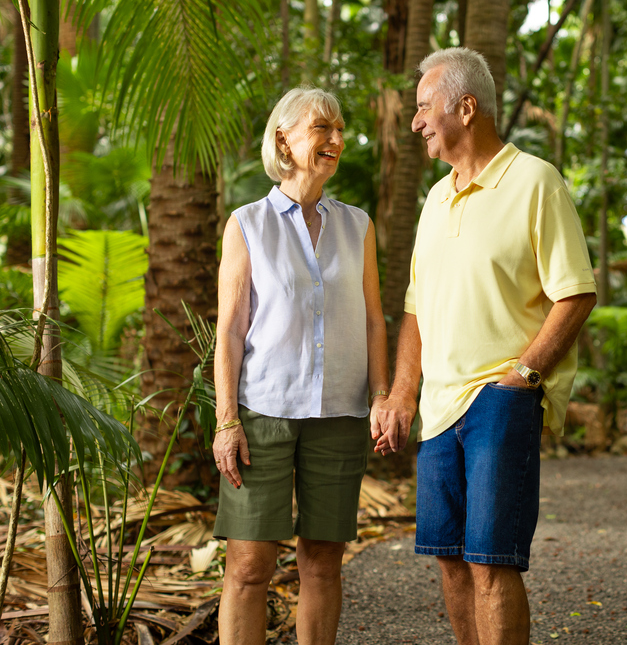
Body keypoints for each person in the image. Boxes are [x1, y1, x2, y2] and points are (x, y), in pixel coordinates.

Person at [372, 48, 597, 645]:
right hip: (437, 410)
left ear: (465, 108)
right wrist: (401, 393)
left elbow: (574, 293)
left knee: (492, 562)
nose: (416, 121)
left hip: (500, 399)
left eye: (424, 107)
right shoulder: (435, 199)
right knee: (449, 557)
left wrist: (523, 375)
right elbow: (416, 308)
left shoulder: (534, 180)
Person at [212, 87, 389, 645]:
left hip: (339, 413)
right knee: (248, 567)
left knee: (323, 563)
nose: (336, 140)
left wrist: (381, 394)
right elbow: (230, 333)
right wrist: (225, 420)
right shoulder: (247, 224)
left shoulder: (357, 226)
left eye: (339, 129)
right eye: (322, 128)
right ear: (284, 139)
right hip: (262, 413)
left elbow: (374, 322)